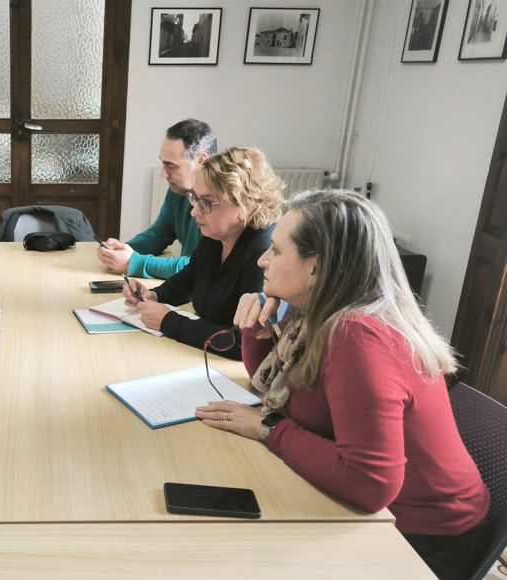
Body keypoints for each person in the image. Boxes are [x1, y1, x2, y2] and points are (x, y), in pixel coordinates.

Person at [198, 190, 490, 580]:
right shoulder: (317, 313)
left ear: (316, 268)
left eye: (277, 251)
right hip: (381, 512)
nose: (262, 260)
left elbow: (371, 484)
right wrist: (257, 330)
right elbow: (275, 389)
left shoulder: (359, 337)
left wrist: (267, 428)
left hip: (424, 538)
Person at [122, 147, 283, 360]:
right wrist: (155, 295)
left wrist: (170, 322)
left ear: (245, 205)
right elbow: (191, 277)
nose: (194, 211)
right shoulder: (217, 235)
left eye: (206, 203)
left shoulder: (263, 255)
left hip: (227, 368)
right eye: (195, 199)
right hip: (203, 356)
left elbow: (243, 343)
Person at [97, 119, 216, 280]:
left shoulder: (220, 204)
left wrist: (133, 262)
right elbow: (159, 234)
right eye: (163, 164)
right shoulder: (179, 192)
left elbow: (198, 265)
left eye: (171, 166)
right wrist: (121, 251)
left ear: (201, 160)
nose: (163, 174)